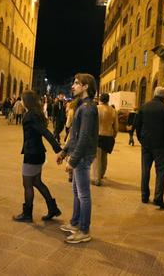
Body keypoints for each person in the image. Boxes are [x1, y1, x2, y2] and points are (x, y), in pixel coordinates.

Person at [56, 73, 98, 244]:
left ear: (86, 86)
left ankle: (84, 230)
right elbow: (74, 134)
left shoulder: (88, 108)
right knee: (77, 192)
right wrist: (64, 152)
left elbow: (84, 137)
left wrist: (73, 160)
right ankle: (75, 223)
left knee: (83, 194)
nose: (73, 86)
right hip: (77, 155)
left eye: (76, 83)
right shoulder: (82, 106)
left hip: (82, 156)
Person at [13, 90, 63, 223]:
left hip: (32, 154)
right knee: (37, 182)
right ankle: (53, 208)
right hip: (37, 152)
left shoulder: (31, 115)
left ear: (26, 101)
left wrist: (58, 149)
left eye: (23, 99)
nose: (21, 101)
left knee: (27, 184)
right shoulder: (35, 113)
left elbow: (45, 132)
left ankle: (27, 214)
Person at [134, 87, 164, 210]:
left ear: (154, 94)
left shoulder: (144, 107)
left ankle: (144, 196)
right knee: (160, 172)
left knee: (145, 170)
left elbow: (137, 125)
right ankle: (158, 198)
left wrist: (141, 139)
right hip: (161, 146)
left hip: (146, 144)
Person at [91, 93, 118, 186]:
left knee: (96, 158)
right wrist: (114, 135)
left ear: (100, 100)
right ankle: (101, 174)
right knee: (104, 157)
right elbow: (116, 127)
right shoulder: (113, 110)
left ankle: (97, 179)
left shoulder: (96, 108)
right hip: (108, 135)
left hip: (98, 135)